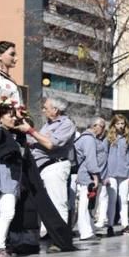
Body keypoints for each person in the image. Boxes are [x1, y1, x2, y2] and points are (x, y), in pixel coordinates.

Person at [26, 98, 76, 235]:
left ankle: (62, 236)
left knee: (58, 202)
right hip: (42, 167)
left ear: (55, 110)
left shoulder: (66, 124)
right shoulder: (47, 124)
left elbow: (50, 144)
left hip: (55, 165)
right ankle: (49, 233)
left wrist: (31, 131)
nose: (43, 110)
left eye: (45, 108)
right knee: (47, 203)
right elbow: (38, 141)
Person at [0, 102, 27, 257]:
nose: (13, 118)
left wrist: (21, 119)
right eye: (10, 115)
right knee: (6, 213)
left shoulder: (11, 134)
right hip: (3, 180)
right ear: (0, 118)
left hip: (12, 180)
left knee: (2, 214)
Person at [97, 115, 129, 236]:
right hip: (111, 173)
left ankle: (125, 225)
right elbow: (103, 157)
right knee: (112, 200)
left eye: (123, 123)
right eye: (118, 123)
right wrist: (104, 175)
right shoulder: (108, 139)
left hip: (125, 174)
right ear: (114, 124)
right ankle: (110, 225)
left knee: (124, 200)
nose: (121, 126)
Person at [74, 118, 107, 241]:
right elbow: (90, 159)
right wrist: (95, 177)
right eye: (101, 126)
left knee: (91, 204)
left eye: (104, 127)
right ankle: (85, 232)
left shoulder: (92, 139)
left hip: (92, 176)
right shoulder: (88, 139)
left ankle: (90, 229)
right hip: (88, 177)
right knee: (85, 203)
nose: (103, 129)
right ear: (94, 126)